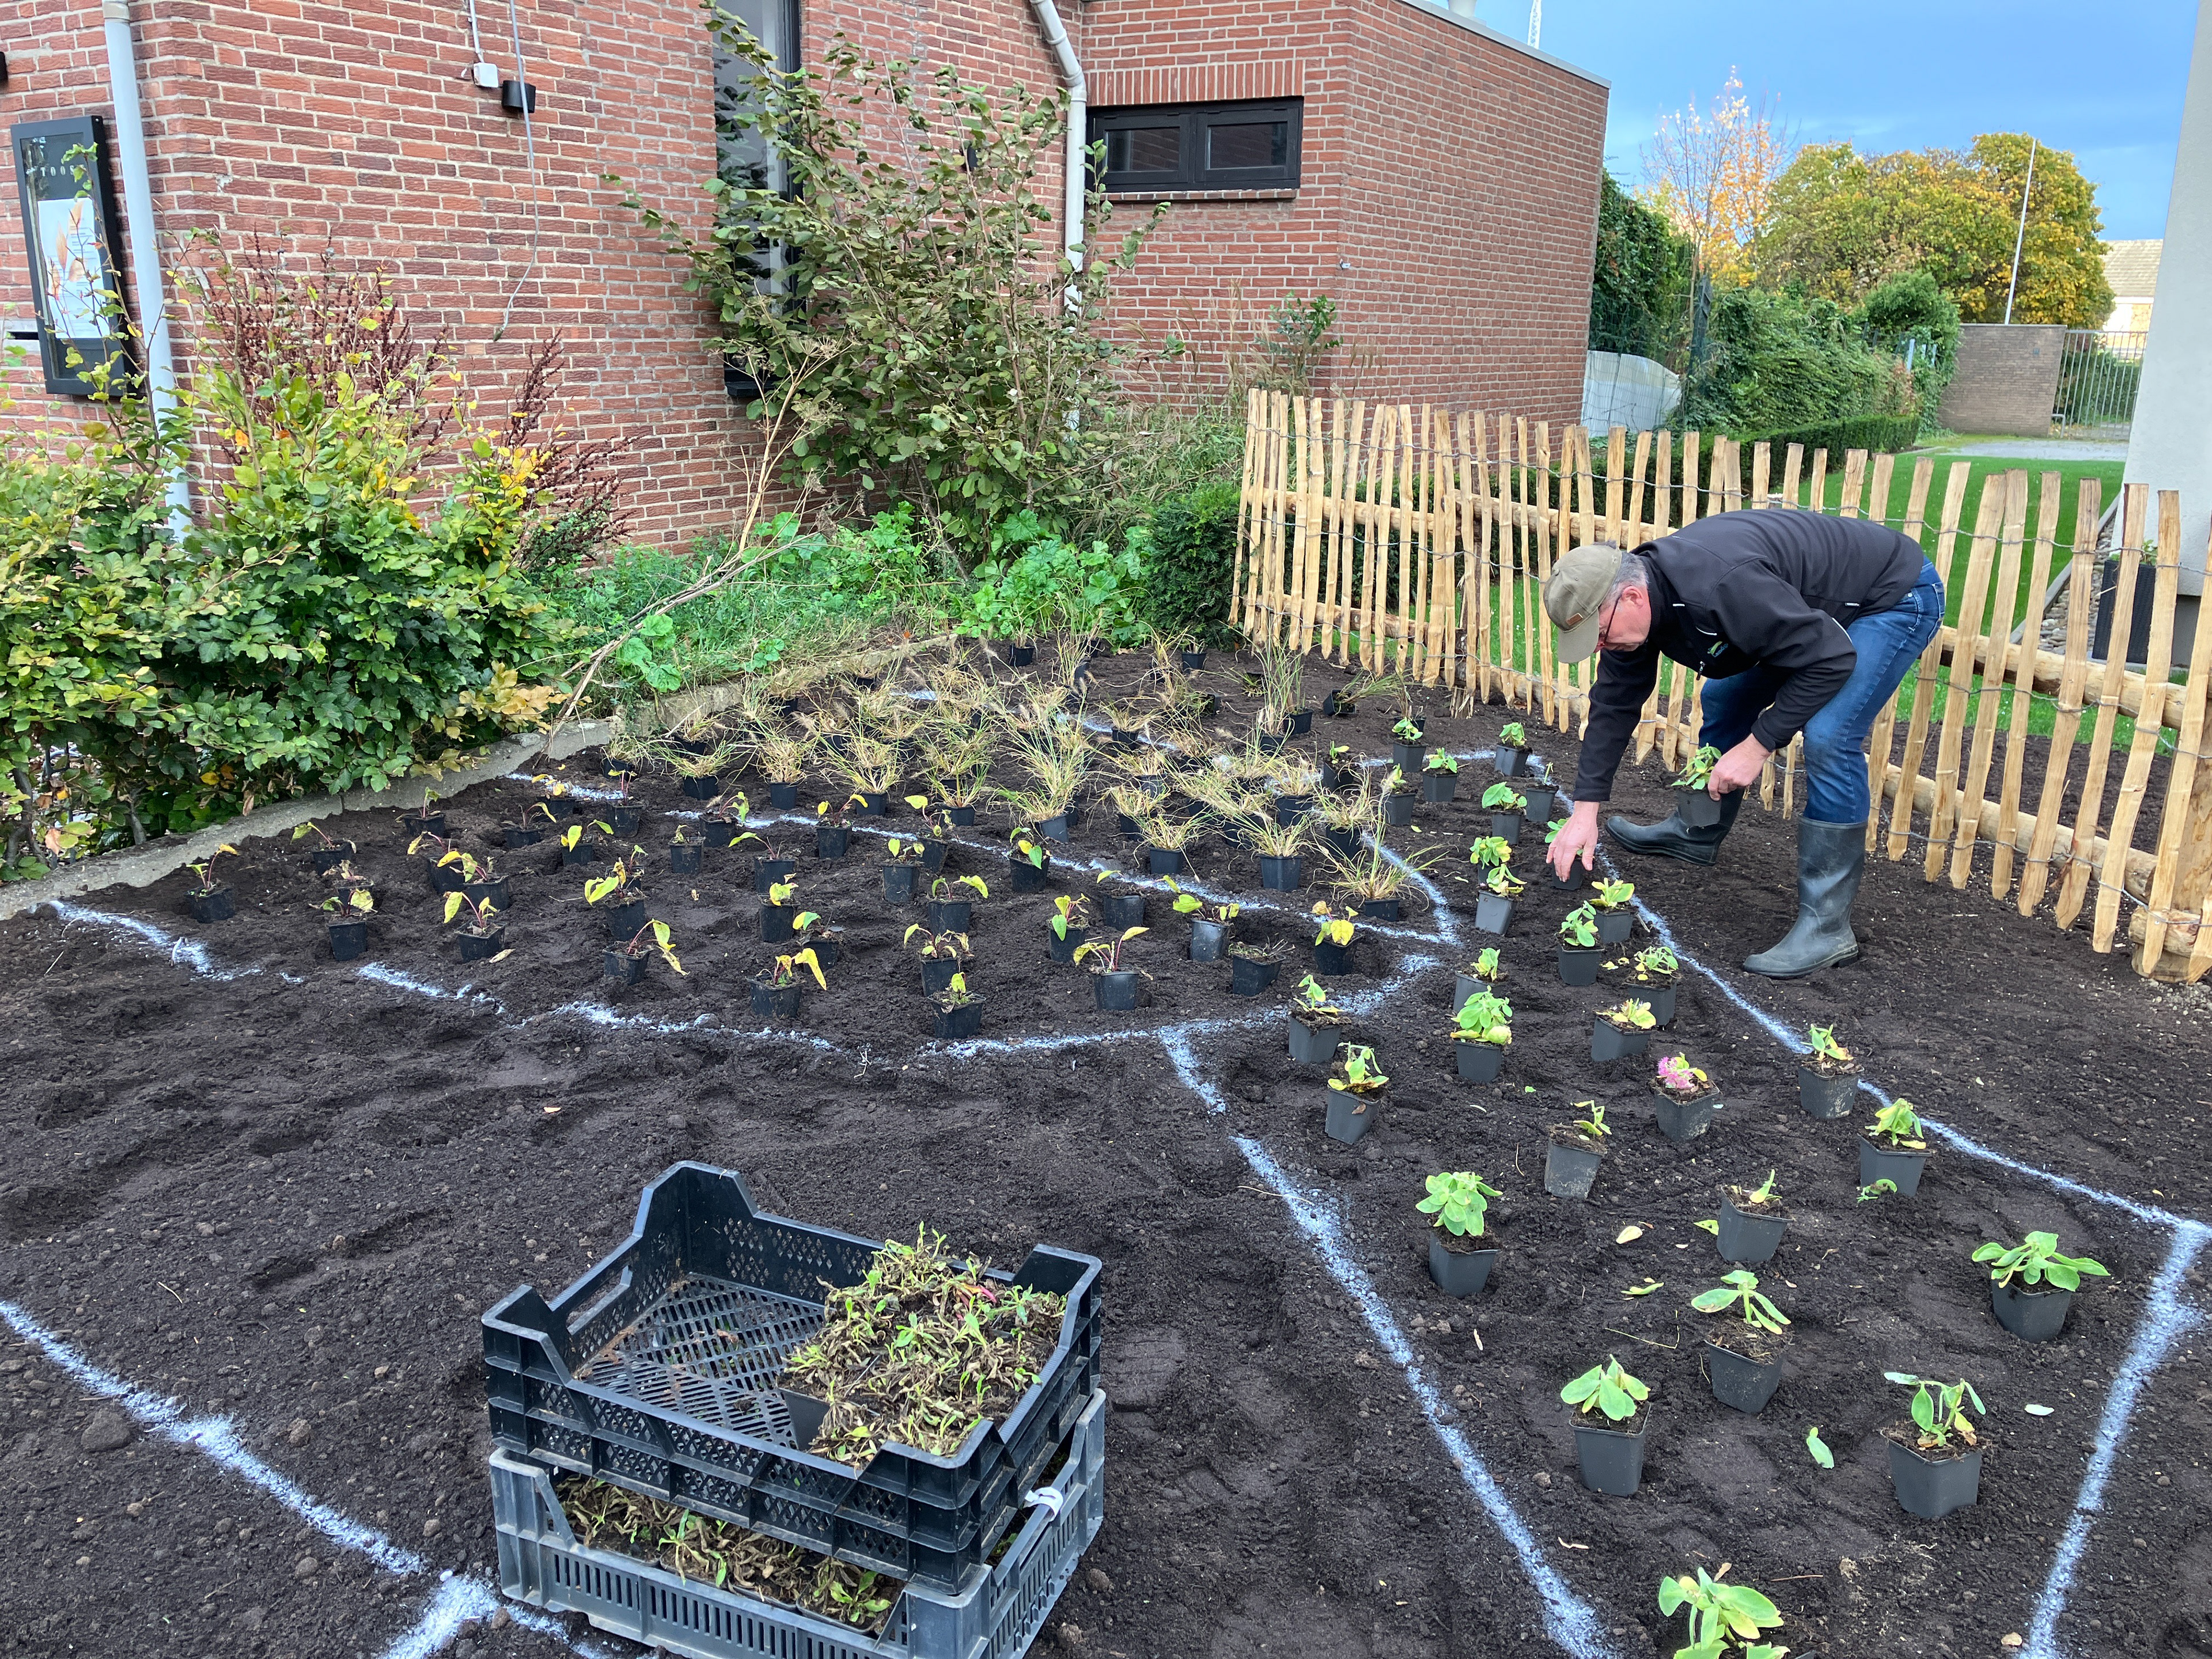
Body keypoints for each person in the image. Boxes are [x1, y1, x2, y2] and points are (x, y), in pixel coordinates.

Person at [1541, 510, 1945, 977]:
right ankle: (1698, 831)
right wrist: (1585, 811)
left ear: (1632, 598)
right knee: (1724, 697)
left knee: (1831, 736)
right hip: (1801, 610)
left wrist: (1759, 745)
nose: (1599, 647)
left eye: (1601, 635)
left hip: (1890, 595)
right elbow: (1614, 704)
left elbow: (1831, 660)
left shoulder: (1719, 588)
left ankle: (1828, 926)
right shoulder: (1638, 610)